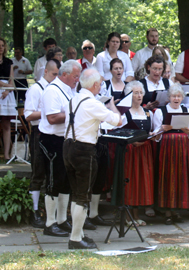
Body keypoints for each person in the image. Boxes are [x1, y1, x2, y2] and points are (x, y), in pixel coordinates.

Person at [63, 68, 122, 249]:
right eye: (100, 84)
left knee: (76, 193)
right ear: (95, 85)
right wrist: (112, 104)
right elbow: (117, 121)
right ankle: (75, 239)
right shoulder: (93, 103)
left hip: (68, 146)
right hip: (84, 149)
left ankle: (79, 234)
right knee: (82, 196)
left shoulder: (73, 99)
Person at [38, 60, 81, 237]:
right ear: (65, 75)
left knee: (65, 182)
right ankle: (49, 223)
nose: (77, 79)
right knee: (53, 181)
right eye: (75, 76)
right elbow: (53, 118)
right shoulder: (52, 91)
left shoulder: (68, 90)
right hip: (51, 141)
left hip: (65, 140)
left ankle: (62, 220)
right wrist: (76, 114)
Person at [152, 84, 189, 225]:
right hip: (167, 149)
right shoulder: (161, 112)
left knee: (181, 177)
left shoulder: (187, 110)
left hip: (183, 148)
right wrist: (162, 129)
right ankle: (167, 212)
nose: (176, 98)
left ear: (182, 98)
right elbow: (155, 135)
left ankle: (177, 211)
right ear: (169, 98)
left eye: (179, 96)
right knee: (168, 177)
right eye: (173, 96)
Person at [25, 59, 60, 228]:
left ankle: (50, 213)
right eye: (54, 74)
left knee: (50, 173)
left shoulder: (56, 89)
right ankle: (34, 211)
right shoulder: (35, 89)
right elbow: (29, 115)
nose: (56, 77)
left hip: (52, 133)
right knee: (38, 171)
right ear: (46, 71)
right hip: (38, 132)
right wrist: (47, 112)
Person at [118, 81, 156, 226]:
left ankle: (137, 215)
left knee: (142, 182)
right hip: (130, 152)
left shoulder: (147, 112)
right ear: (129, 95)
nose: (139, 95)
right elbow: (121, 132)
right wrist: (131, 141)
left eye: (141, 93)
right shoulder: (125, 113)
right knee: (130, 181)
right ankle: (128, 217)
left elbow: (151, 130)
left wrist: (153, 134)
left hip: (144, 151)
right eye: (135, 93)